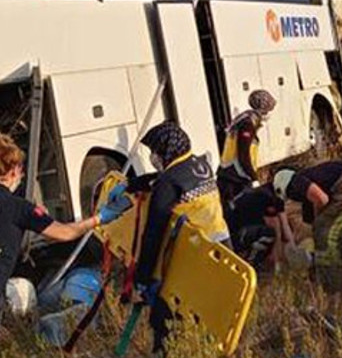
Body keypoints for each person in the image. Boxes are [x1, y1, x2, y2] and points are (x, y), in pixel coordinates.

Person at [0, 134, 125, 324]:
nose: (22, 175)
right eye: (20, 169)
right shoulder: (19, 208)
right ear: (12, 171)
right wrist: (100, 217)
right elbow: (66, 233)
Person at [131, 122, 230, 353]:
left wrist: (142, 278)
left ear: (165, 150)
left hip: (194, 255)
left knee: (164, 315)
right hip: (222, 247)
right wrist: (133, 184)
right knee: (211, 311)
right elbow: (163, 178)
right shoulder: (198, 164)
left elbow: (153, 233)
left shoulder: (168, 182)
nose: (153, 157)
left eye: (154, 152)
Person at [272, 160, 342, 292]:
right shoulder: (312, 181)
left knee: (326, 233)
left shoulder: (296, 181)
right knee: (340, 230)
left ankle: (333, 286)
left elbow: (321, 199)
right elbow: (312, 221)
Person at [218, 89, 277, 208]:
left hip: (229, 175)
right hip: (235, 178)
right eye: (269, 110)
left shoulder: (244, 120)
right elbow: (243, 154)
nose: (270, 114)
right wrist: (254, 178)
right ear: (263, 110)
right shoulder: (247, 125)